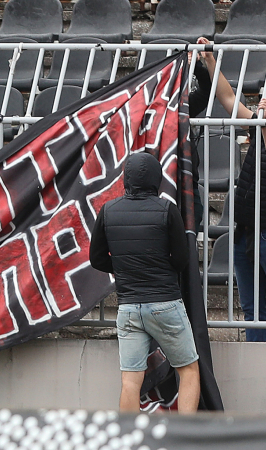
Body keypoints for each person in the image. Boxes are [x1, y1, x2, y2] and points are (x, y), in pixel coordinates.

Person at [198, 37, 266, 342]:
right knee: (251, 310)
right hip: (245, 231)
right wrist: (210, 60)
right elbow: (228, 99)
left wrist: (264, 124)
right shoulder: (263, 126)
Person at [90, 152, 201, 414]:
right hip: (165, 304)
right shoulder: (166, 209)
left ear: (126, 178)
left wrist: (124, 268)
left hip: (128, 307)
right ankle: (185, 434)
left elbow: (96, 258)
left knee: (130, 380)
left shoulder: (108, 210)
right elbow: (181, 259)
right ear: (156, 178)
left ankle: (129, 435)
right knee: (188, 370)